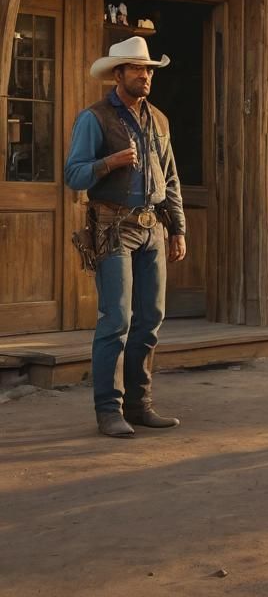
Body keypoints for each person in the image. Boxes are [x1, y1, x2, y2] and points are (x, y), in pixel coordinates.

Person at [64, 37, 187, 438]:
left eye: (149, 69)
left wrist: (178, 228)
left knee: (150, 319)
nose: (145, 75)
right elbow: (73, 175)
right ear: (117, 74)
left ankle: (139, 405)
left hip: (153, 227)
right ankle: (108, 410)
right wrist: (107, 163)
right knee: (116, 319)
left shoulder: (161, 120)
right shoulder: (94, 118)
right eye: (136, 68)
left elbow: (170, 179)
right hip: (112, 226)